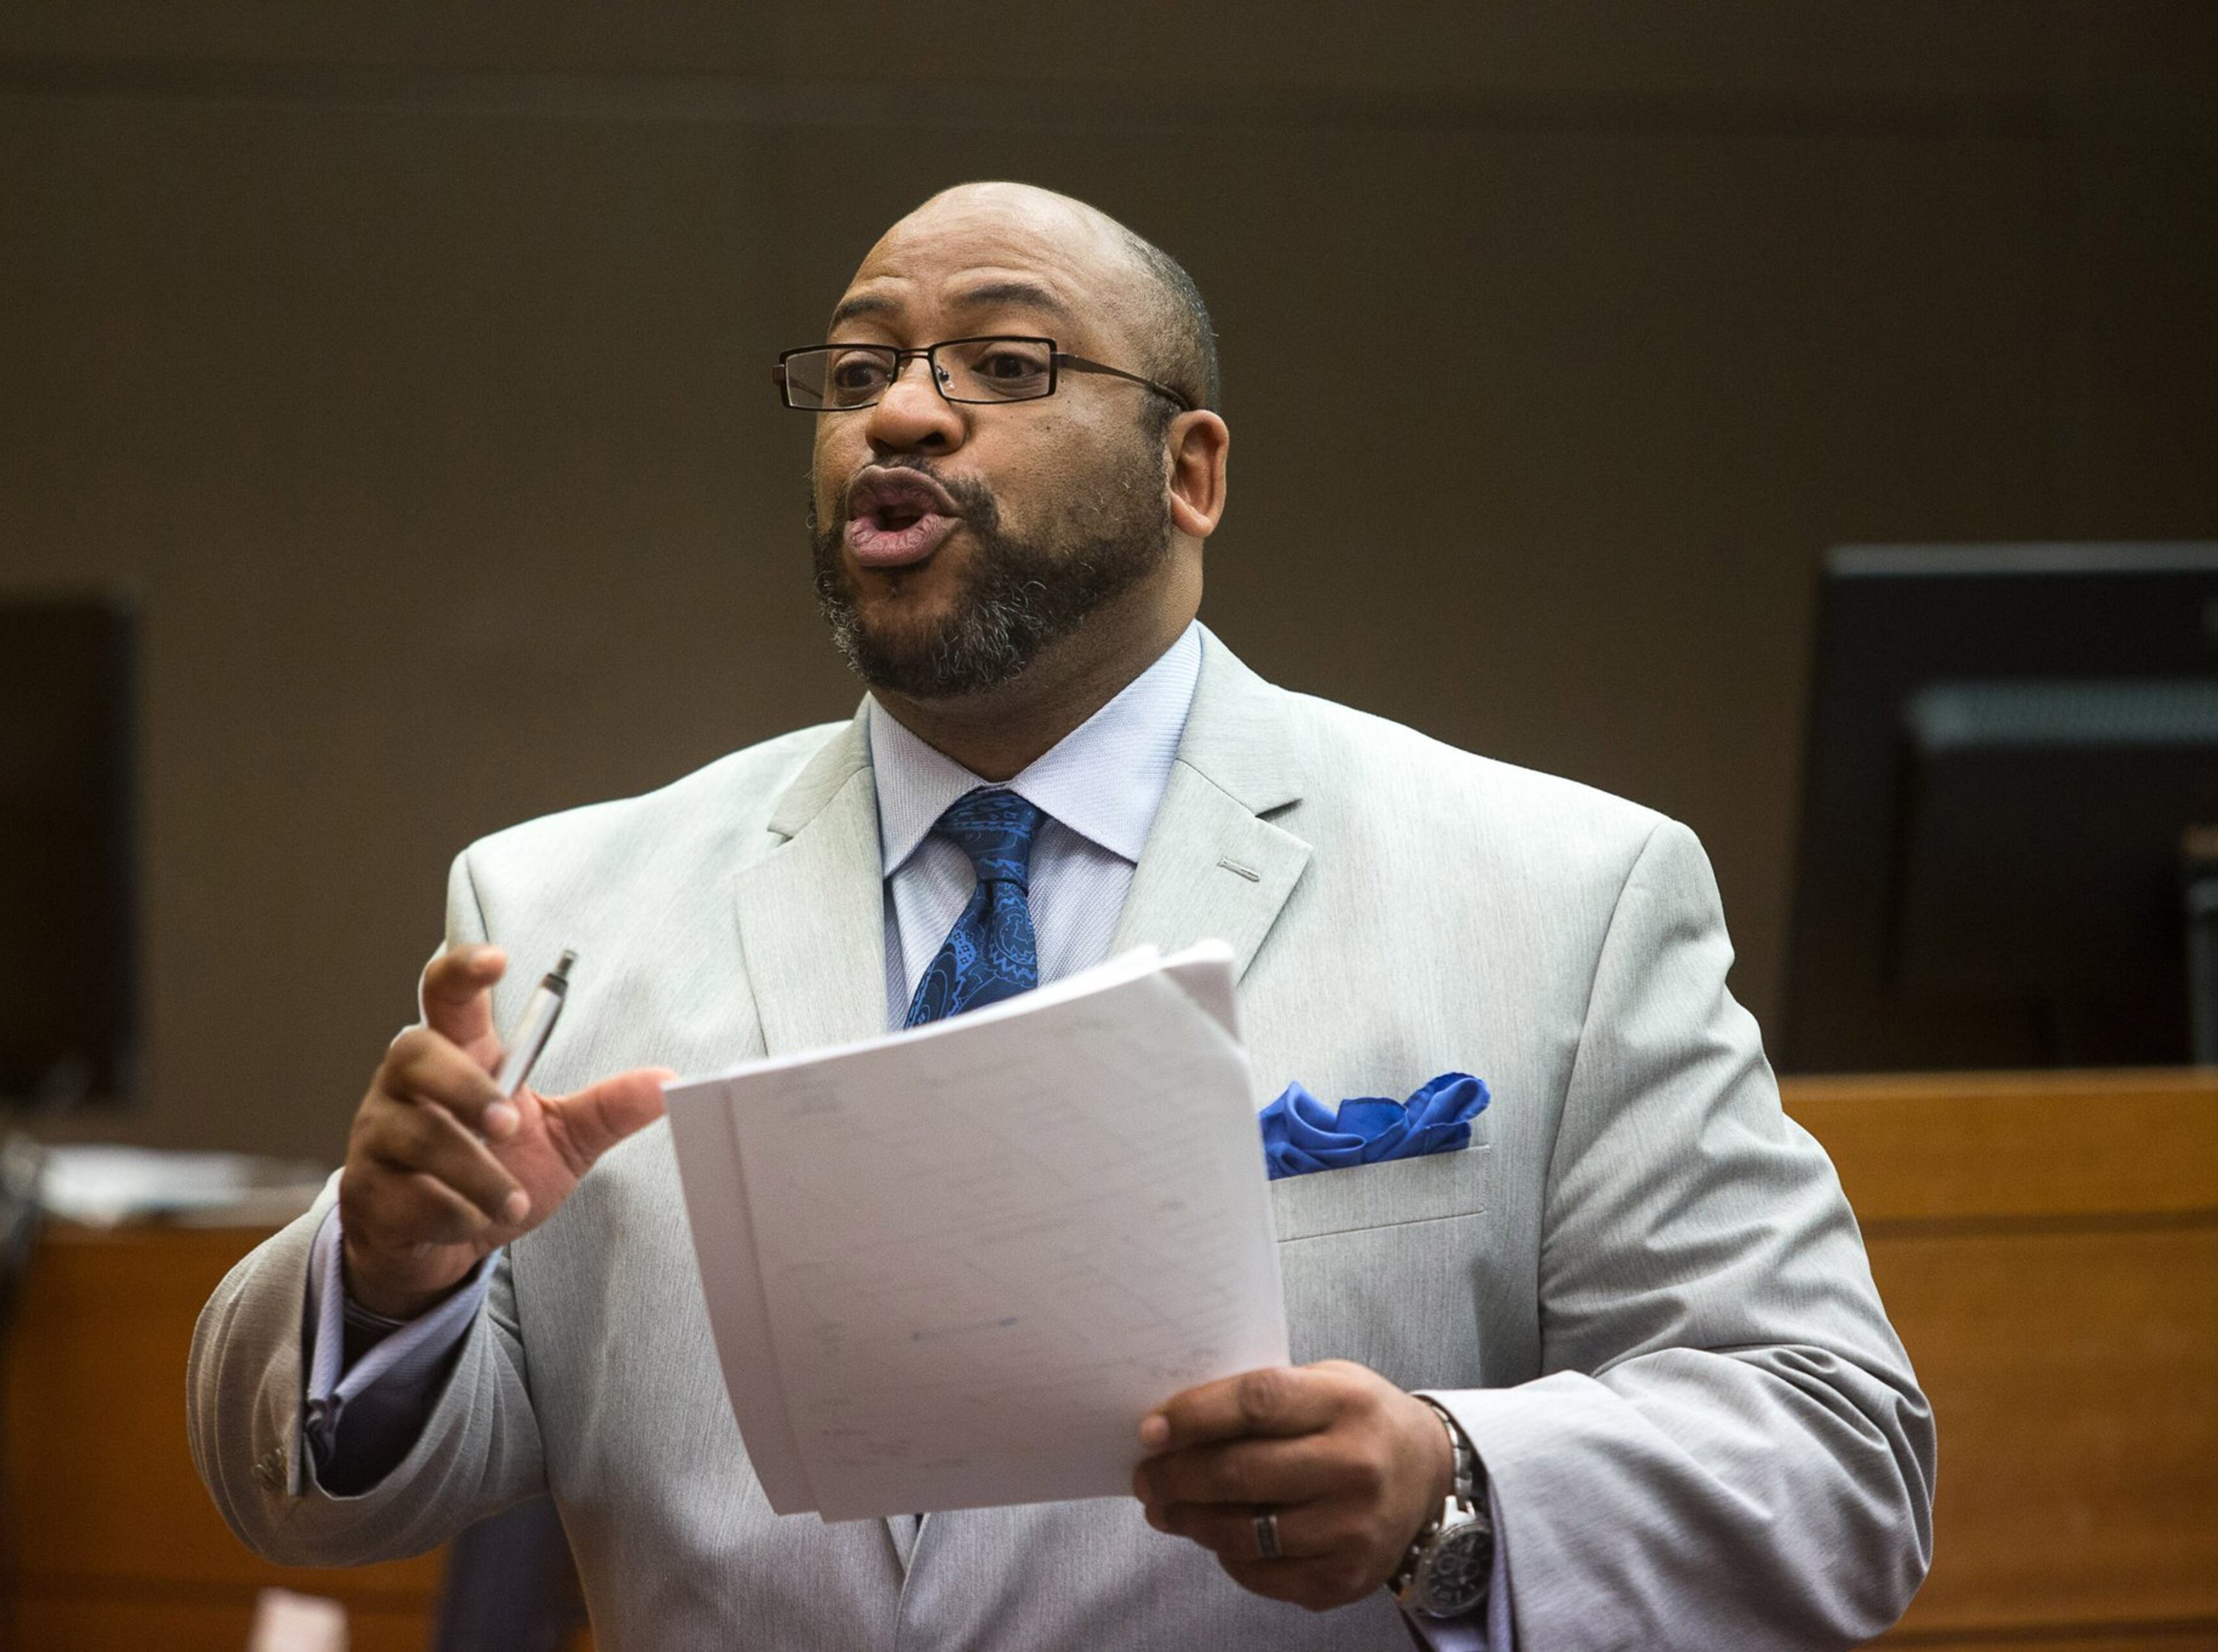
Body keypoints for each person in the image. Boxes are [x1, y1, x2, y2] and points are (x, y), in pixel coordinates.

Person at [189, 181, 1935, 1650]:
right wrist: (387, 1276)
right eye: (858, 368)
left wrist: (1448, 1490)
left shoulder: (1559, 894)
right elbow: (319, 1497)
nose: (900, 411)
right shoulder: (560, 906)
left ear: (1192, 472)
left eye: (1003, 363)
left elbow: (1840, 1455)